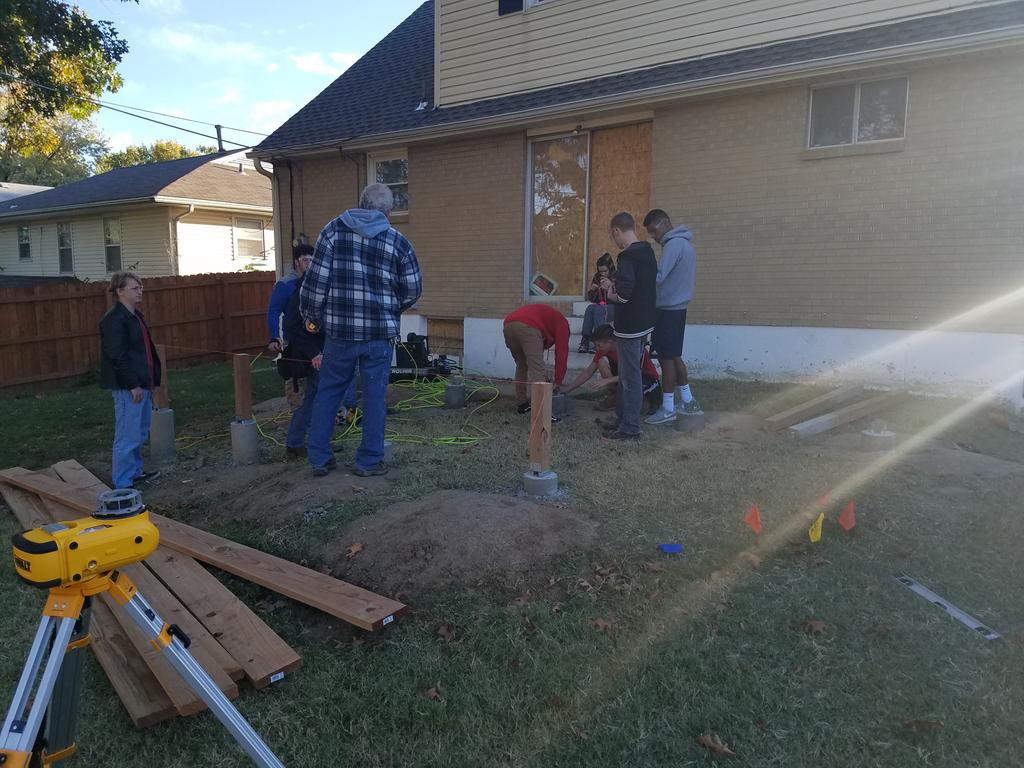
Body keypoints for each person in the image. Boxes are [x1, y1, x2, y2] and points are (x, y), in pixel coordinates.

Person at [300, 183, 422, 478]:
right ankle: (368, 461)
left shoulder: (332, 231)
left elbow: (315, 285)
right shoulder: (398, 241)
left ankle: (319, 458)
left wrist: (312, 317)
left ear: (360, 204)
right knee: (374, 396)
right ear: (388, 212)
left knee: (328, 391)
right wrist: (392, 310)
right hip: (379, 336)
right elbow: (413, 289)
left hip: (339, 333)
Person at [268, 243, 356, 420]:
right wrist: (274, 336)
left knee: (319, 379)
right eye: (305, 260)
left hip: (314, 341)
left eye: (312, 260)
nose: (309, 263)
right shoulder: (286, 284)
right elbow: (274, 310)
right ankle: (297, 415)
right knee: (295, 377)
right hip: (293, 340)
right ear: (296, 262)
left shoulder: (317, 284)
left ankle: (335, 413)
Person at [99, 272, 162, 489]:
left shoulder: (136, 316)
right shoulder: (114, 320)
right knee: (127, 434)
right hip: (128, 387)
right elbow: (117, 356)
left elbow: (144, 351)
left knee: (139, 431)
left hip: (142, 384)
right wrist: (132, 384)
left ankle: (134, 472)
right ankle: (123, 483)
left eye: (140, 287)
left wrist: (151, 382)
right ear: (120, 291)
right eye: (135, 288)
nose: (140, 290)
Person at [599, 212, 657, 440]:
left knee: (629, 377)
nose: (615, 242)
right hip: (644, 323)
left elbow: (623, 295)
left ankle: (630, 428)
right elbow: (637, 287)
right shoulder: (647, 253)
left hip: (629, 327)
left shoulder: (627, 257)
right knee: (627, 374)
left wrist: (610, 291)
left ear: (616, 231)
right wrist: (615, 284)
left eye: (614, 237)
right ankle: (623, 419)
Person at [642, 208, 701, 424]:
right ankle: (687, 399)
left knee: (666, 359)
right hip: (679, 309)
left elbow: (658, 276)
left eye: (654, 231)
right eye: (650, 233)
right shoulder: (685, 244)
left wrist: (641, 275)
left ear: (666, 223)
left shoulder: (673, 245)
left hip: (667, 310)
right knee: (675, 355)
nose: (654, 237)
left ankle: (667, 408)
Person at [561, 324, 661, 414]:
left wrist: (607, 380)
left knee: (640, 409)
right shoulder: (603, 350)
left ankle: (646, 401)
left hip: (646, 379)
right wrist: (568, 389)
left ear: (609, 342)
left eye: (598, 345)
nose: (597, 348)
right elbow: (588, 372)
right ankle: (615, 396)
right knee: (601, 361)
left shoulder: (628, 348)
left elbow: (632, 374)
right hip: (626, 378)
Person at [280, 271, 324, 460]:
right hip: (308, 357)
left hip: (320, 353)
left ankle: (313, 442)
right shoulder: (303, 293)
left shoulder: (317, 290)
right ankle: (297, 443)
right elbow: (292, 327)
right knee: (313, 399)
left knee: (319, 398)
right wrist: (313, 352)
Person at [502, 303, 570, 414]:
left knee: (521, 365)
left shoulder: (549, 319)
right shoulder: (562, 324)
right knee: (537, 370)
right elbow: (562, 353)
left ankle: (522, 404)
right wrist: (558, 381)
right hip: (528, 326)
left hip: (508, 325)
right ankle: (543, 412)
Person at [578, 253, 616, 353]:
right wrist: (592, 290)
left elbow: (621, 295)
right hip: (602, 305)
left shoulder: (617, 276)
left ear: (610, 268)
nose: (603, 274)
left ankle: (600, 341)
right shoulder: (597, 277)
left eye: (605, 271)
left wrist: (610, 286)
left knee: (598, 310)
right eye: (600, 271)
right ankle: (585, 340)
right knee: (590, 308)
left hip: (616, 307)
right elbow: (593, 299)